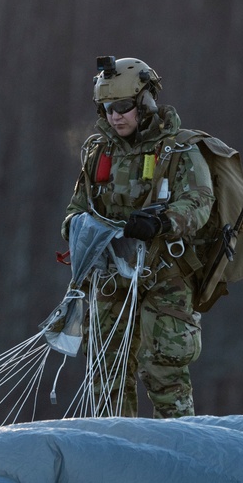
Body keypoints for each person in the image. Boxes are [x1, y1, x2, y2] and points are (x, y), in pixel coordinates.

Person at [61, 57, 214, 418]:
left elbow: (200, 201)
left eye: (123, 107)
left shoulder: (179, 150)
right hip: (113, 275)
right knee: (105, 367)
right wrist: (81, 231)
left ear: (145, 102)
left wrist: (163, 223)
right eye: (107, 108)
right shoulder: (99, 152)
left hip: (166, 273)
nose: (115, 116)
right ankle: (114, 453)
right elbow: (75, 210)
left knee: (164, 366)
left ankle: (181, 454)